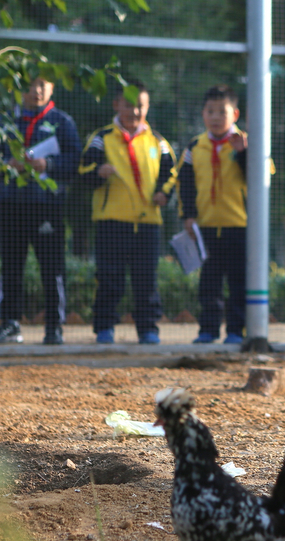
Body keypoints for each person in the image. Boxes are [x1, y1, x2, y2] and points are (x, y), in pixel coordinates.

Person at [78, 80, 177, 344]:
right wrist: (99, 172)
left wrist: (163, 194)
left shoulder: (158, 142)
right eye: (129, 105)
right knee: (109, 278)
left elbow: (172, 174)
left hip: (148, 223)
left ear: (147, 107)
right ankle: (104, 328)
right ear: (116, 105)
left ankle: (148, 330)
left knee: (146, 280)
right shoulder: (101, 138)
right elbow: (84, 170)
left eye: (140, 106)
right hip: (111, 221)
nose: (134, 111)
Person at [0, 76, 80, 345]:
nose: (37, 91)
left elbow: (74, 161)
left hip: (47, 207)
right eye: (31, 84)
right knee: (11, 266)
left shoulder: (63, 122)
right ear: (19, 88)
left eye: (44, 85)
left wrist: (48, 165)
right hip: (11, 205)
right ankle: (10, 324)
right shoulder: (3, 122)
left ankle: (54, 327)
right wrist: (7, 164)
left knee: (52, 267)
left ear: (52, 88)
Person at [178, 85, 251, 345]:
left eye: (223, 111)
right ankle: (207, 329)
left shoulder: (247, 143)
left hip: (240, 226)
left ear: (235, 114)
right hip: (205, 227)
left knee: (238, 282)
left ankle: (235, 331)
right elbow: (185, 183)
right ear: (203, 114)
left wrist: (244, 152)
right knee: (209, 282)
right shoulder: (194, 146)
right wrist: (188, 215)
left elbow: (262, 178)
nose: (216, 116)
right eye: (211, 111)